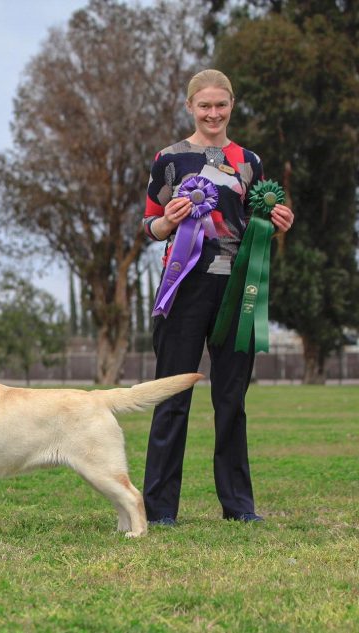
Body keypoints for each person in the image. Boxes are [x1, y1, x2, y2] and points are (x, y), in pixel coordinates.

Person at [142, 69, 294, 526]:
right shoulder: (168, 159)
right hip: (184, 289)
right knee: (172, 397)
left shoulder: (249, 161)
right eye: (204, 105)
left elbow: (255, 224)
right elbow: (149, 226)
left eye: (221, 105)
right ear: (190, 106)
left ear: (232, 105)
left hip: (237, 293)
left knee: (232, 401)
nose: (213, 113)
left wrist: (278, 222)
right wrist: (167, 222)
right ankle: (160, 509)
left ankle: (239, 506)